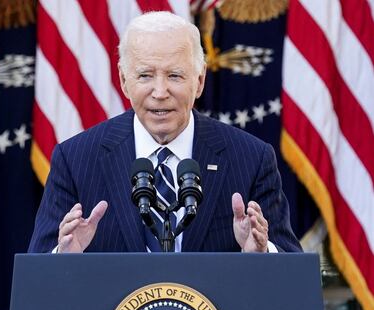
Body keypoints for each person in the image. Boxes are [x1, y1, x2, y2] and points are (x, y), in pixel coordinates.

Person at [28, 11, 301, 254]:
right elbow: (39, 276)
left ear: (200, 81)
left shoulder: (251, 158)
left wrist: (261, 255)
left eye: (175, 76)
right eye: (145, 75)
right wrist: (64, 259)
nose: (160, 93)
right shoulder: (75, 159)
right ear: (124, 80)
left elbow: (289, 272)